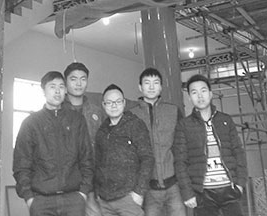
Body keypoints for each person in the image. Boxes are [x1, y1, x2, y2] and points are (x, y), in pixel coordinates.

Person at [13, 71, 93, 216]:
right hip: (41, 201)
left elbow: (87, 157)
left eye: (61, 87)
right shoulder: (31, 123)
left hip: (73, 200)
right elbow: (21, 163)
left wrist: (83, 192)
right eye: (52, 86)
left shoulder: (77, 120)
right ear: (43, 90)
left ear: (65, 90)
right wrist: (29, 197)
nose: (57, 91)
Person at [174, 74, 247, 216]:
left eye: (203, 91)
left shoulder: (225, 120)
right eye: (194, 92)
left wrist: (240, 183)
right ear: (189, 98)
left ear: (211, 94)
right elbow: (180, 162)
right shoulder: (184, 125)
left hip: (229, 188)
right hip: (203, 193)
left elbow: (238, 152)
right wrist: (187, 193)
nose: (200, 96)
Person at [130, 68, 186, 216]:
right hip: (148, 188)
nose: (151, 87)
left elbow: (181, 147)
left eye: (155, 83)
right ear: (140, 87)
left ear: (161, 87)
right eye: (147, 83)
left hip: (173, 184)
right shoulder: (131, 115)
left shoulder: (173, 111)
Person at [94, 84, 154, 216]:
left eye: (118, 101)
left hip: (128, 198)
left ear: (124, 103)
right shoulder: (101, 131)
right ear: (103, 105)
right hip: (105, 200)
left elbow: (147, 158)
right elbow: (97, 163)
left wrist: (139, 192)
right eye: (109, 102)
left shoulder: (135, 124)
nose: (114, 106)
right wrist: (98, 192)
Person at [63, 61, 105, 216]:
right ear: (65, 82)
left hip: (92, 182)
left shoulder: (97, 112)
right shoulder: (56, 110)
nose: (78, 83)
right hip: (65, 182)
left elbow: (103, 146)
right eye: (73, 79)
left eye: (83, 79)